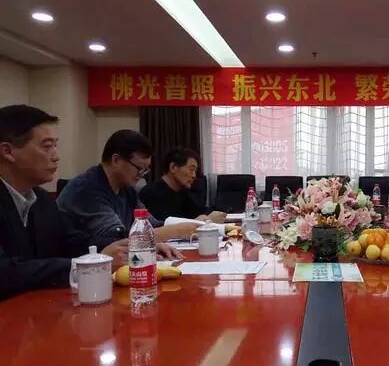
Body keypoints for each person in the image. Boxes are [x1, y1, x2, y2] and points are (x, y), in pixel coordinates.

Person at [0, 105, 128, 300]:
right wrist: (87, 266)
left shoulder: (42, 200)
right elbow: (6, 273)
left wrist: (125, 247)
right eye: (46, 146)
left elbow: (71, 241)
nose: (56, 156)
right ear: (8, 151)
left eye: (55, 145)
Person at [57, 130, 199, 251]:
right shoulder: (87, 189)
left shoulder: (127, 189)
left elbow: (150, 224)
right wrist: (174, 231)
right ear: (116, 160)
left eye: (145, 170)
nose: (141, 175)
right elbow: (115, 240)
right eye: (139, 169)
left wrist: (185, 227)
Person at [139, 147, 226, 222]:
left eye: (195, 171)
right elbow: (162, 228)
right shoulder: (150, 194)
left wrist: (223, 207)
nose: (194, 176)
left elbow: (201, 211)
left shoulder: (182, 192)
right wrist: (203, 221)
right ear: (173, 167)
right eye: (191, 169)